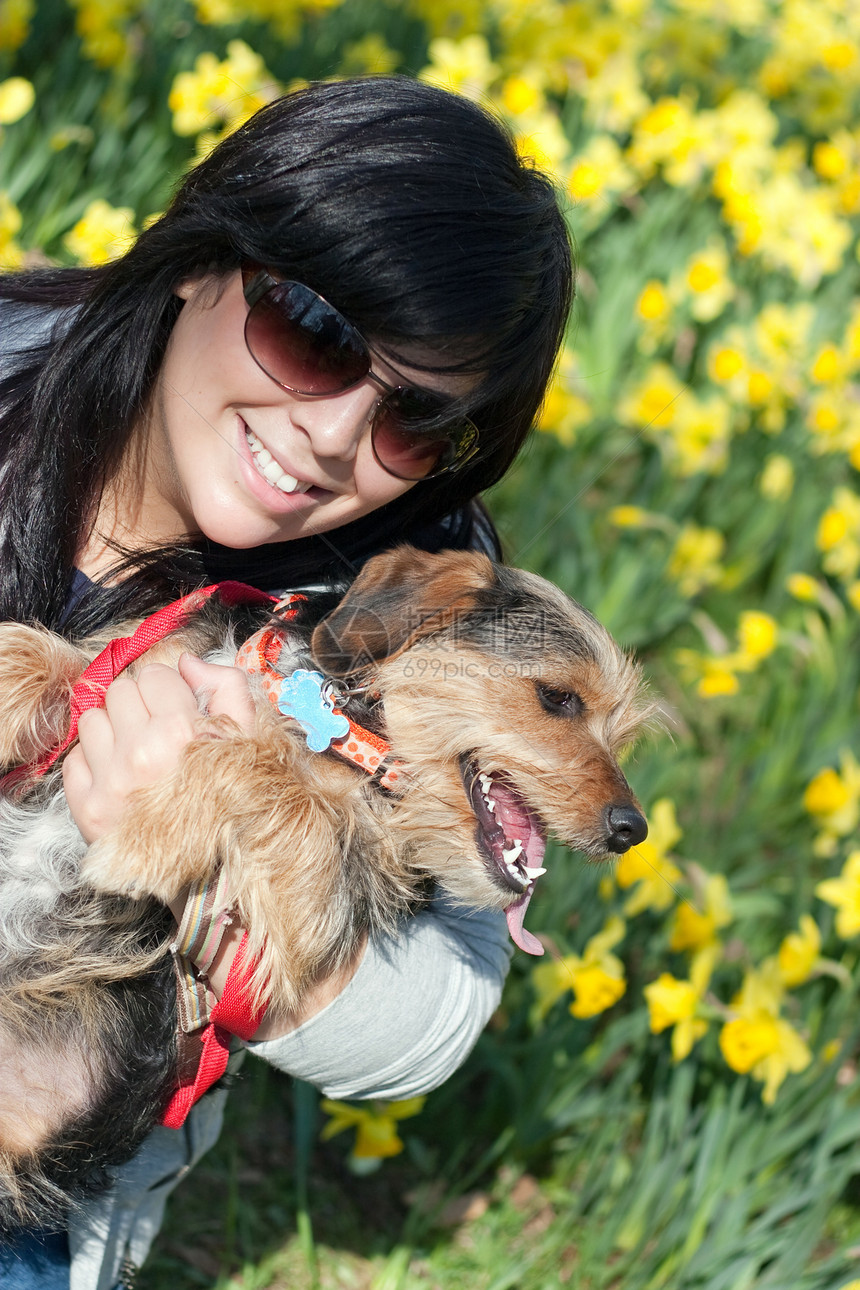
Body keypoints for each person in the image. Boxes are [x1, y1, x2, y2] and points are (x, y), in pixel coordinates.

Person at [0, 75, 573, 1289]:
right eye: (312, 332)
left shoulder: (408, 611)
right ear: (201, 262)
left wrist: (214, 863)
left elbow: (430, 1020)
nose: (332, 438)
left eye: (413, 421)